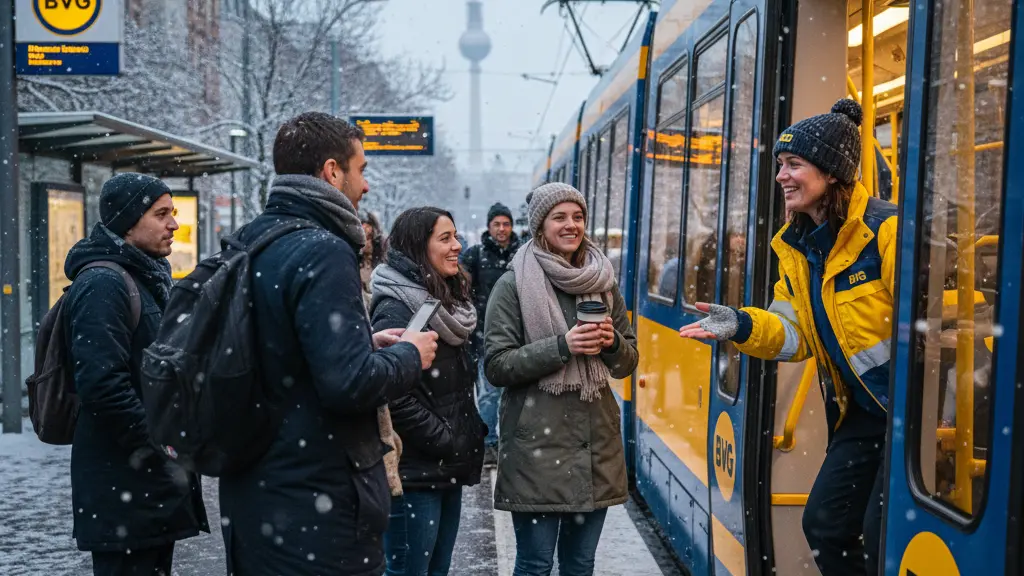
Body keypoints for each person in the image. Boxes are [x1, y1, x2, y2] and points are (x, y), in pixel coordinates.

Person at [678, 99, 896, 576]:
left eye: (794, 164)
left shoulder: (885, 230)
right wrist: (741, 325)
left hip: (905, 415)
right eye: (781, 165)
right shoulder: (798, 246)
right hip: (861, 415)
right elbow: (794, 333)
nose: (782, 176)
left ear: (833, 174)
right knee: (824, 523)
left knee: (884, 537)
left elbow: (925, 326)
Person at [217, 112, 439, 576]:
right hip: (317, 510)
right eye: (362, 170)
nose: (366, 186)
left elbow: (282, 353)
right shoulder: (324, 249)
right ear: (332, 171)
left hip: (258, 499)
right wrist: (407, 356)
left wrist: (363, 342)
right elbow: (347, 385)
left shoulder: (252, 239)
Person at [484, 182, 639, 576]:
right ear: (540, 225)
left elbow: (627, 361)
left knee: (580, 565)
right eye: (560, 217)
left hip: (595, 449)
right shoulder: (513, 284)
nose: (571, 225)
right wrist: (562, 346)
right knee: (535, 565)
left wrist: (611, 343)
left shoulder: (602, 280)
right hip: (537, 449)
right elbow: (498, 366)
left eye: (578, 216)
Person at [63, 172, 208, 575]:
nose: (174, 224)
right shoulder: (105, 284)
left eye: (173, 212)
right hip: (123, 486)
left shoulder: (142, 277)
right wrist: (163, 443)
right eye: (161, 214)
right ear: (128, 222)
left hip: (142, 486)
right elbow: (102, 386)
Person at [370, 207, 486, 576]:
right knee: (409, 571)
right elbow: (391, 392)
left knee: (435, 570)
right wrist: (444, 438)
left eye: (456, 237)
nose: (458, 246)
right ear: (420, 247)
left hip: (443, 466)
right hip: (415, 471)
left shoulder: (444, 300)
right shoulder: (397, 307)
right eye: (445, 238)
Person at [460, 202, 522, 464]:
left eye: (506, 223)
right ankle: (490, 444)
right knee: (489, 393)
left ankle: (511, 441)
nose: (502, 229)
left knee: (515, 392)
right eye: (497, 224)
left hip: (518, 333)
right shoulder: (476, 255)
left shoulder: (522, 254)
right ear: (489, 227)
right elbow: (460, 283)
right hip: (485, 334)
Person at [361, 211, 386, 309]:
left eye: (369, 237)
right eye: (364, 237)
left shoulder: (384, 255)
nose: (366, 242)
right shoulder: (353, 258)